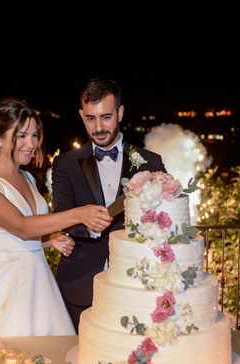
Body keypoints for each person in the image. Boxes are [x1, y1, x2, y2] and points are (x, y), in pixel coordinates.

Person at [0, 97, 112, 338]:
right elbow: (21, 226)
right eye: (21, 136)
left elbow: (19, 235)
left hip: (39, 281)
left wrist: (48, 239)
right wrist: (79, 214)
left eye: (34, 136)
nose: (31, 144)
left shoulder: (28, 178)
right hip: (4, 286)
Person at [52, 78, 166, 330]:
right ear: (82, 116)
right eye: (91, 118)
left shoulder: (151, 162)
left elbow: (163, 219)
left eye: (106, 117)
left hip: (137, 281)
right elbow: (60, 214)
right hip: (81, 281)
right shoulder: (66, 164)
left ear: (120, 113)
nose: (99, 127)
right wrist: (86, 223)